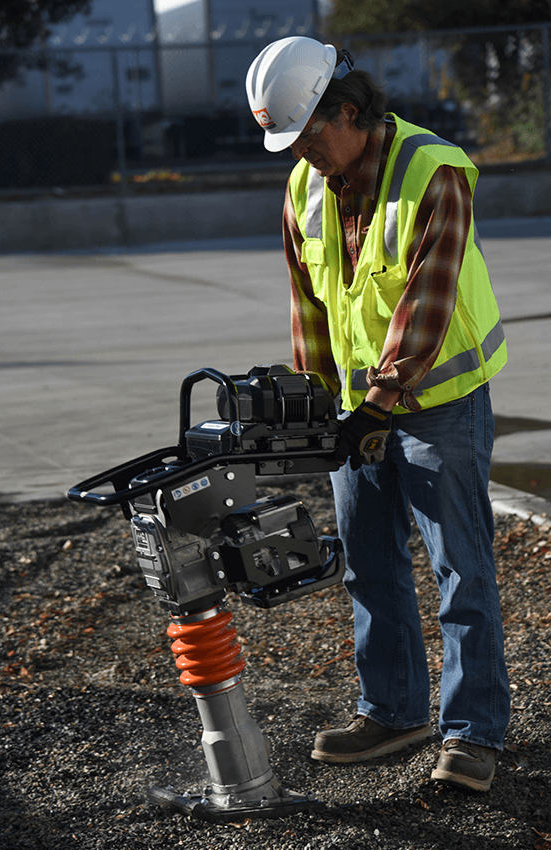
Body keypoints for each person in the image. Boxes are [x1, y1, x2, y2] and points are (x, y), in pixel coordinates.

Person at [246, 36, 510, 793]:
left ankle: (472, 733)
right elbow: (309, 306)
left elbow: (426, 304)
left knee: (461, 568)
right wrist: (316, 404)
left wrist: (379, 406)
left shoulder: (435, 171)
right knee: (369, 560)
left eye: (305, 135)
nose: (297, 153)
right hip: (362, 408)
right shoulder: (303, 186)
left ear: (349, 111)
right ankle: (394, 712)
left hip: (438, 403)